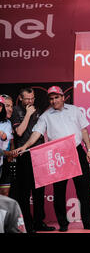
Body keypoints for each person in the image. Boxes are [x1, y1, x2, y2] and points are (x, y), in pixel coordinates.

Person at [13, 86, 90, 232]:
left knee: (83, 189)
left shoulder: (75, 110)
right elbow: (36, 133)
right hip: (58, 154)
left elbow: (84, 130)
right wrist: (25, 146)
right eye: (51, 99)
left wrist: (89, 149)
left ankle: (89, 222)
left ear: (63, 97)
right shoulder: (45, 116)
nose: (54, 101)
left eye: (56, 97)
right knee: (59, 191)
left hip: (77, 151)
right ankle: (63, 224)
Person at [10, 88, 55, 232]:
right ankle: (28, 225)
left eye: (32, 98)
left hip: (39, 154)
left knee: (39, 191)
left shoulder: (38, 110)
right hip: (24, 155)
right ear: (21, 99)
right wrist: (28, 114)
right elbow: (19, 132)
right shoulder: (16, 111)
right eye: (27, 99)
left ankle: (39, 222)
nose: (30, 101)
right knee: (24, 193)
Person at [0, 95, 14, 197]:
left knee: (5, 195)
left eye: (11, 106)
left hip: (4, 162)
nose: (10, 109)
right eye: (7, 106)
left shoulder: (8, 123)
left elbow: (9, 140)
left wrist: (11, 152)